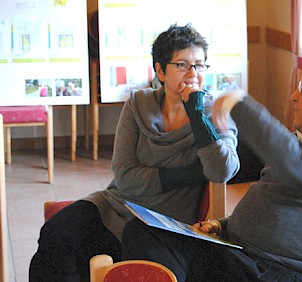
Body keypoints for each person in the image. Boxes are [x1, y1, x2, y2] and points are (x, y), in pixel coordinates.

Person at [121, 55, 302, 281]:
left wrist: (238, 102)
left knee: (156, 247)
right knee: (145, 231)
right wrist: (222, 226)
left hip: (288, 272)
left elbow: (295, 164)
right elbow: (282, 199)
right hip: (252, 260)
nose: (294, 96)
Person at [29, 23, 240, 281]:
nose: (192, 73)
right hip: (116, 203)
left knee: (105, 256)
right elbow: (125, 177)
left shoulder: (213, 113)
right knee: (55, 233)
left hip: (162, 222)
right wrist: (192, 174)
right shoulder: (138, 103)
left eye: (199, 64)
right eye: (182, 64)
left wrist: (196, 114)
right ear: (160, 71)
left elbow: (222, 170)